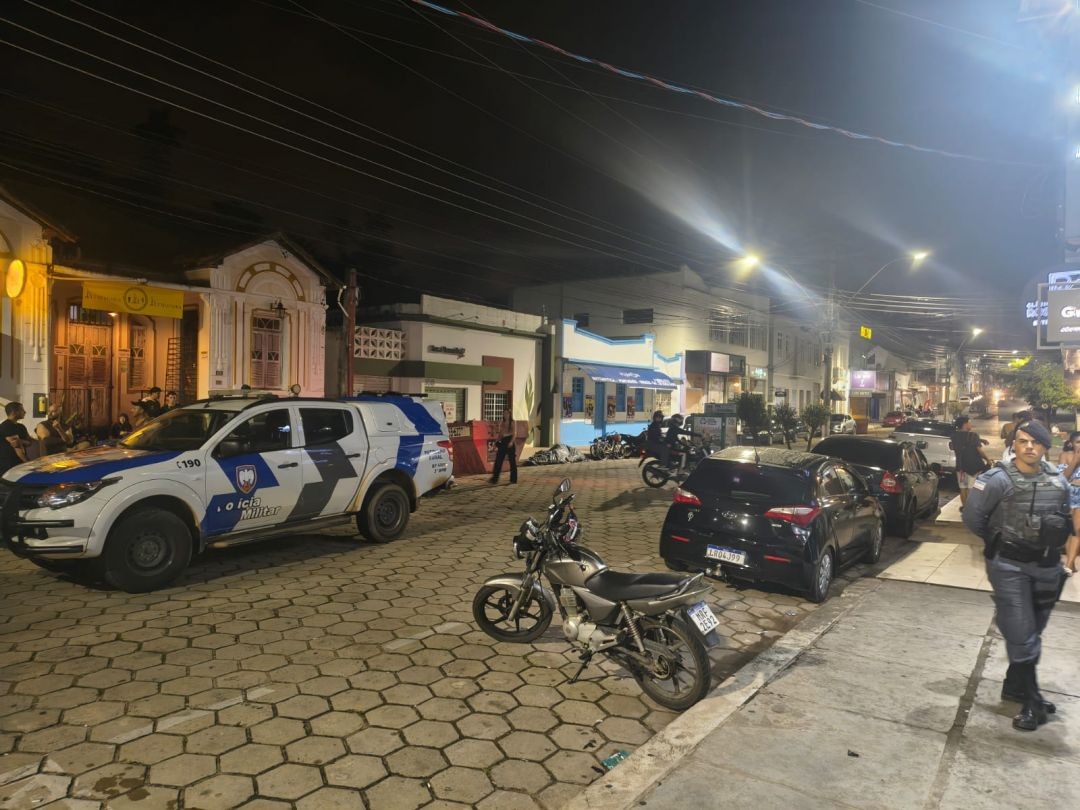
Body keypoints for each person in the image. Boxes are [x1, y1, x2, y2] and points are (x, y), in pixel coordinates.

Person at [963, 420, 1070, 731]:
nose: (1029, 447)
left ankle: (1015, 685)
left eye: (1035, 442)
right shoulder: (997, 479)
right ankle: (1033, 701)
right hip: (1009, 565)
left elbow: (1062, 516)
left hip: (1046, 566)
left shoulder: (1057, 480)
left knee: (1033, 630)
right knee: (1022, 633)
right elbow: (973, 517)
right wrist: (998, 541)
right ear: (1015, 444)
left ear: (1046, 446)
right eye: (1023, 441)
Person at [951, 415, 991, 508]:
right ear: (965, 424)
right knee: (971, 488)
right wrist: (988, 460)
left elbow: (961, 439)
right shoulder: (974, 435)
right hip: (973, 467)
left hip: (960, 468)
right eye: (969, 422)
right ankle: (970, 509)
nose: (970, 424)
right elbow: (979, 451)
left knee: (963, 488)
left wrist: (981, 440)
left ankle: (965, 508)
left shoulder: (954, 436)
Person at [1057, 430, 1080, 576]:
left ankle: (1069, 564)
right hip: (1069, 495)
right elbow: (1063, 478)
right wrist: (1075, 460)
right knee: (1068, 530)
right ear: (1071, 443)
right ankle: (1071, 561)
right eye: (1078, 442)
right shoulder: (1065, 455)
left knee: (1077, 530)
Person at [0, 402, 33, 475]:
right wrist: (28, 464)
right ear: (14, 412)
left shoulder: (22, 427)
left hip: (19, 463)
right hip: (8, 465)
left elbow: (29, 441)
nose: (25, 412)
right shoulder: (6, 426)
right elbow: (17, 447)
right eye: (21, 409)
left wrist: (22, 441)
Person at [489, 408, 517, 485]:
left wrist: (511, 442)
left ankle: (513, 479)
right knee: (498, 460)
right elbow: (500, 435)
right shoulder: (502, 422)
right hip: (503, 442)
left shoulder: (513, 422)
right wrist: (495, 443)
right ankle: (495, 479)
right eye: (504, 413)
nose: (505, 415)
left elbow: (514, 434)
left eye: (507, 413)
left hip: (510, 441)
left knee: (512, 461)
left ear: (510, 414)